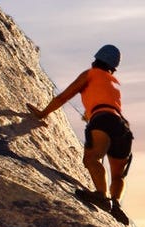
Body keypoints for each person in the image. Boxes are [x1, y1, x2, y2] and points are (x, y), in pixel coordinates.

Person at [28, 44, 133, 213]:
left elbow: (63, 97)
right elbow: (107, 104)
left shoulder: (90, 74)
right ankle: (116, 204)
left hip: (103, 120)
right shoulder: (114, 83)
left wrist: (43, 113)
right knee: (118, 175)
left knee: (92, 159)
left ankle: (101, 195)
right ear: (113, 68)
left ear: (96, 59)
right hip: (122, 127)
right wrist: (91, 114)